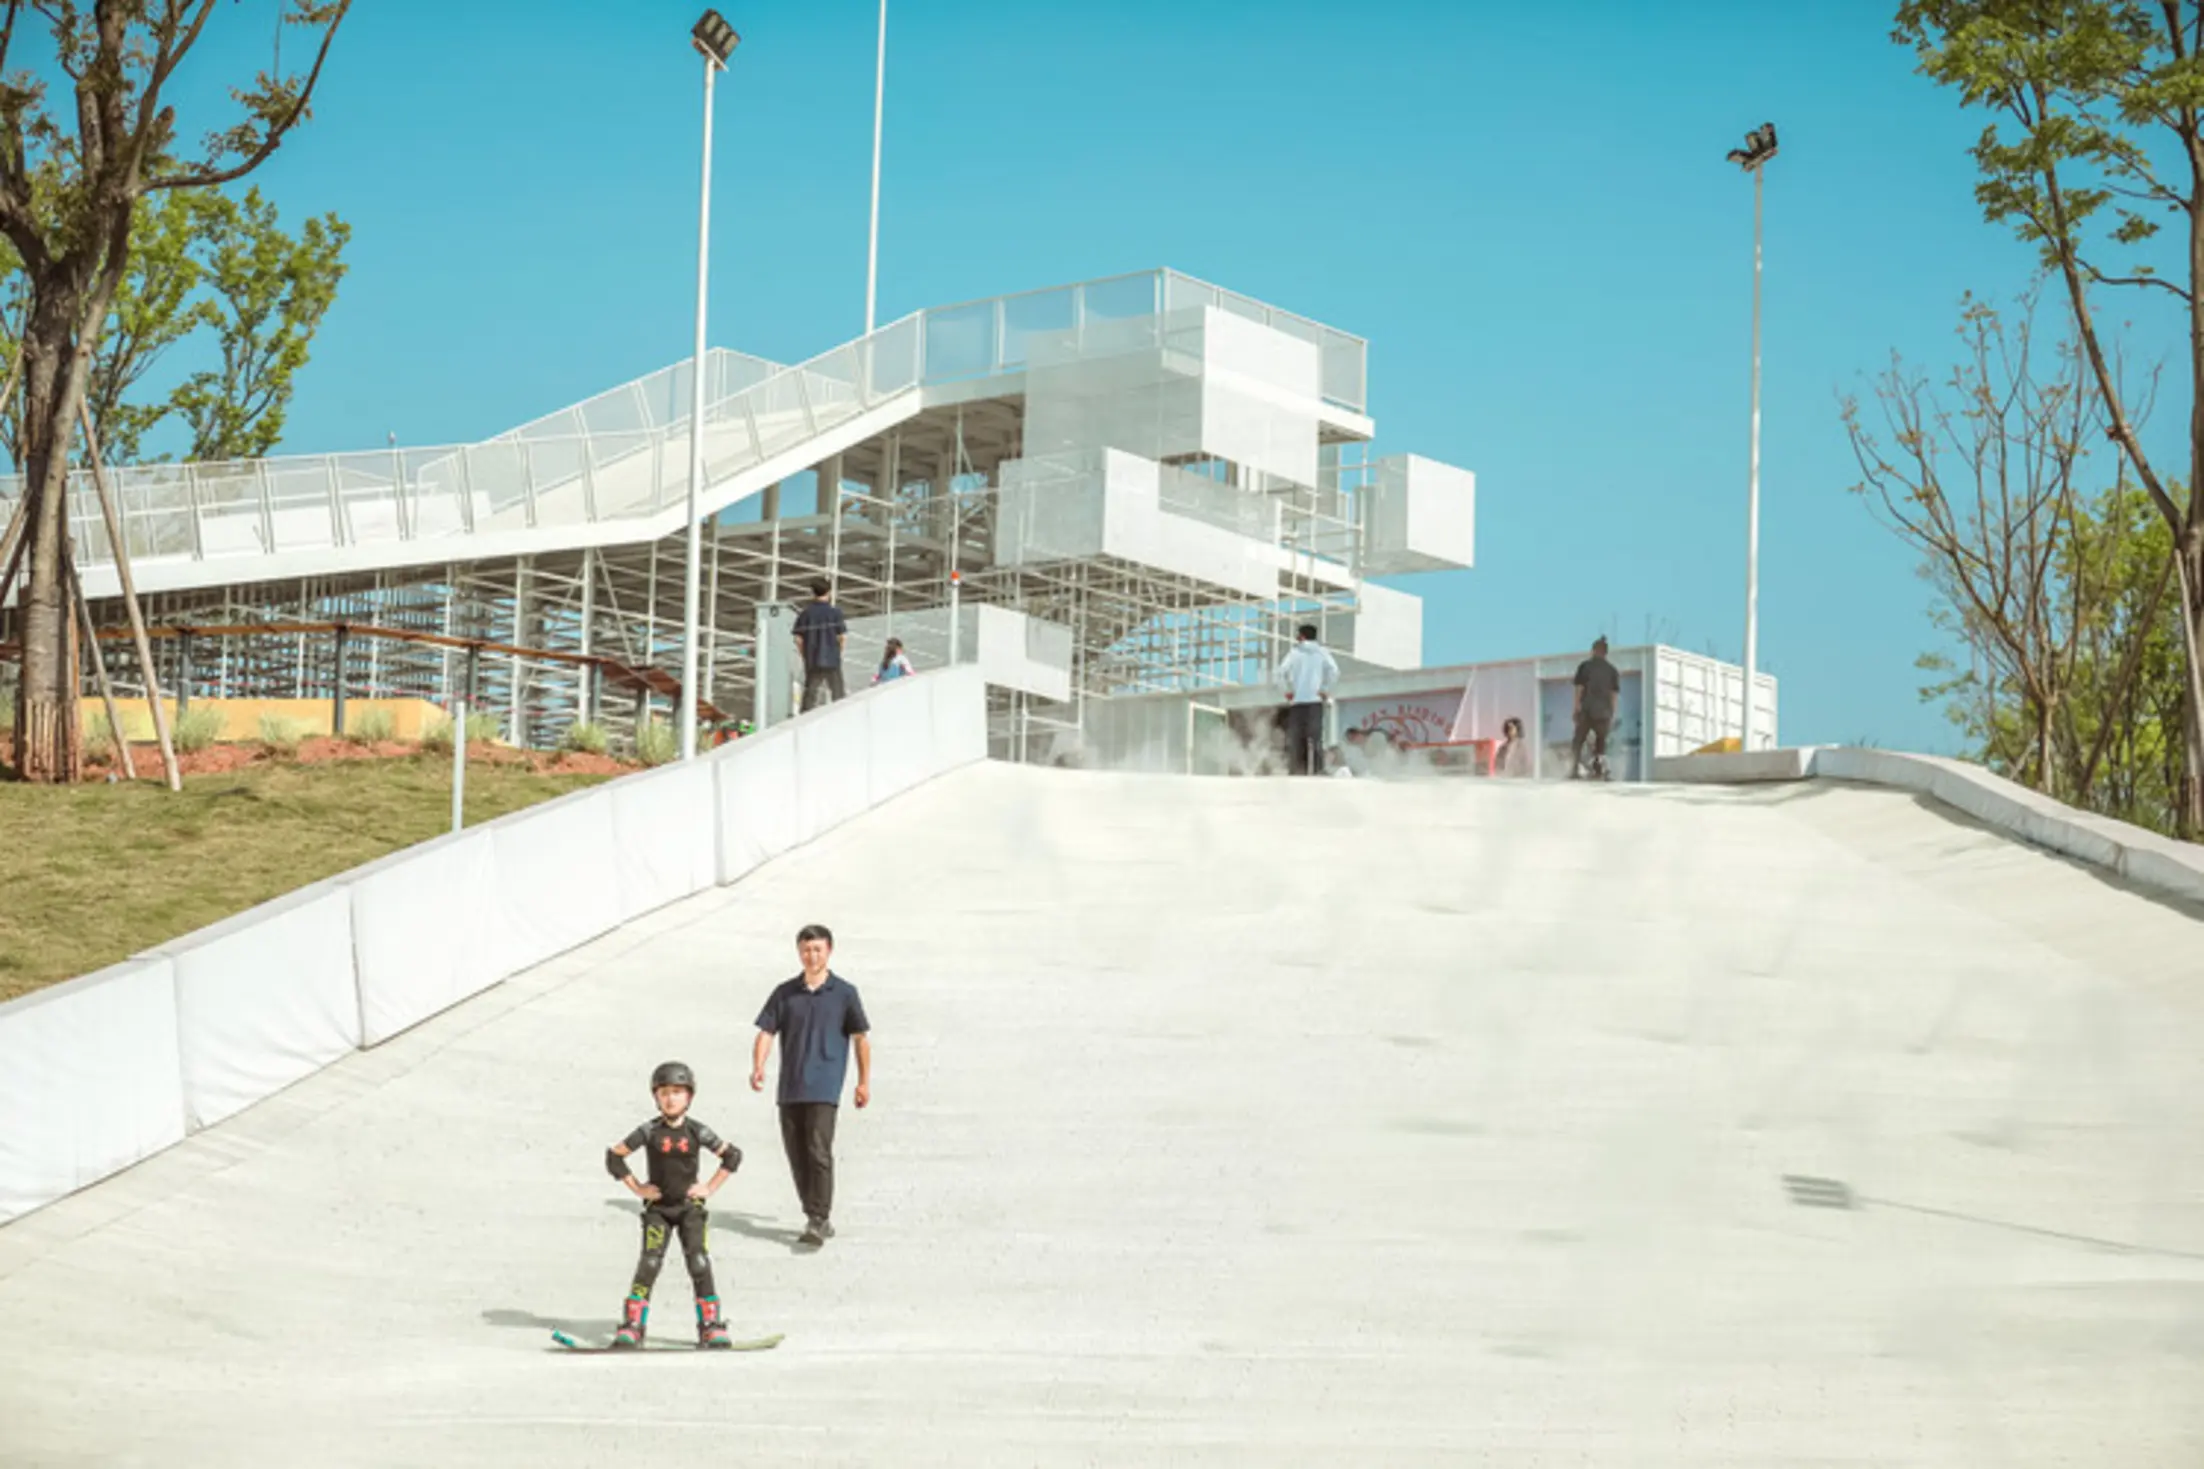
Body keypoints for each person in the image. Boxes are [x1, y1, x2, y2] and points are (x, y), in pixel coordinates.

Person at [601, 1060, 744, 1349]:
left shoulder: (698, 1132)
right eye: (664, 1092)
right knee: (649, 1263)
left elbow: (732, 1156)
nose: (670, 1098)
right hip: (659, 1211)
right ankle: (632, 1326)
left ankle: (711, 1326)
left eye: (678, 1092)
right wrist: (638, 1188)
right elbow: (614, 1157)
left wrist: (709, 1188)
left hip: (690, 1209)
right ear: (656, 1097)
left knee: (699, 1262)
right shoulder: (648, 1131)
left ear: (689, 1096)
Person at [751, 924, 872, 1249]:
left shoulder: (845, 993)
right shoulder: (785, 992)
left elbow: (860, 1038)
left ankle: (818, 1218)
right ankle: (814, 1212)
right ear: (799, 952)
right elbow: (766, 1031)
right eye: (806, 949)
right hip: (790, 1087)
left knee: (818, 1150)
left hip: (825, 1086)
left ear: (829, 951)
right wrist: (758, 1067)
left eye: (818, 949)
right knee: (796, 1153)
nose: (812, 955)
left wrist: (863, 1082)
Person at [1275, 624, 1339, 776]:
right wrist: (1324, 689)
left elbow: (1280, 673)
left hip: (1298, 701)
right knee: (1316, 738)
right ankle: (1318, 770)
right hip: (1315, 700)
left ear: (1302, 636)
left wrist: (1287, 691)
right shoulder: (1322, 652)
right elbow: (1334, 671)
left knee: (1297, 738)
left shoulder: (1294, 652)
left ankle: (1296, 771)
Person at [792, 580, 848, 711]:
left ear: (813, 593)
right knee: (838, 693)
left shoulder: (805, 614)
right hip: (832, 659)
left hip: (813, 659)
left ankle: (804, 720)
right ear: (828, 592)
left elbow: (798, 639)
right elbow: (841, 637)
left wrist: (805, 655)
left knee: (810, 695)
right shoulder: (835, 613)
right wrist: (837, 652)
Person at [1572, 637, 1621, 780]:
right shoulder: (1612, 670)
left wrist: (1576, 708)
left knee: (1578, 740)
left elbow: (1579, 689)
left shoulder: (1584, 667)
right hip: (1604, 712)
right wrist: (1612, 712)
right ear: (1606, 653)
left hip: (1586, 709)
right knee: (1601, 742)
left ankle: (1575, 768)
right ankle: (1600, 769)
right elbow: (1614, 694)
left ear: (1593, 651)